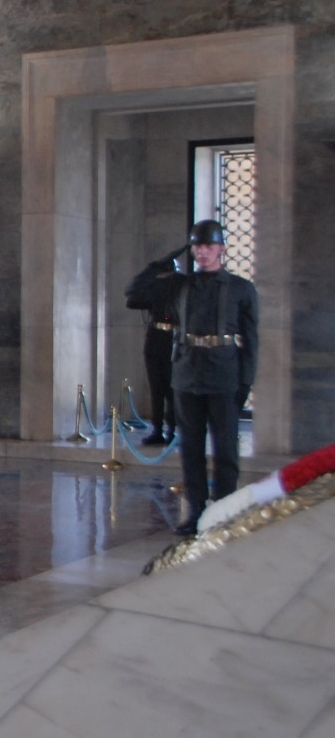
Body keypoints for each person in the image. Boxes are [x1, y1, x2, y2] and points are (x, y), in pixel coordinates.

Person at [125, 220, 258, 536]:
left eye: (208, 246)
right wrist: (163, 260)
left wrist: (246, 381)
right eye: (196, 246)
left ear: (221, 249)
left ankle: (224, 508)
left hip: (224, 373)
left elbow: (251, 341)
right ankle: (197, 510)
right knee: (192, 448)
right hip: (186, 372)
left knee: (225, 449)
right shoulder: (178, 285)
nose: (202, 252)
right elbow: (135, 291)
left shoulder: (241, 288)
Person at [127, 250, 182, 445]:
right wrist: (149, 274)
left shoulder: (180, 286)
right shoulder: (154, 287)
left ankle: (172, 430)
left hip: (173, 339)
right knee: (156, 388)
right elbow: (131, 297)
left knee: (171, 389)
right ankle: (157, 430)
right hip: (155, 339)